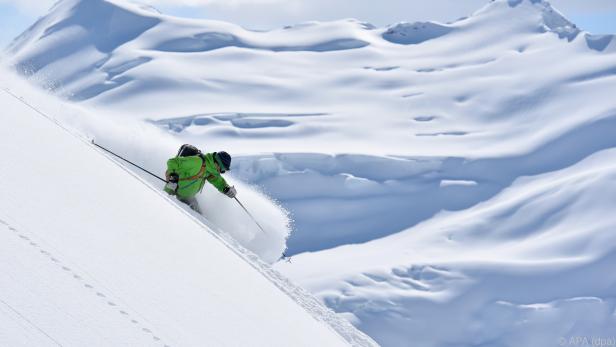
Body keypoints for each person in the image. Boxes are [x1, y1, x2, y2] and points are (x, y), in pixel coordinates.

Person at [164, 144, 236, 213]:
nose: (221, 172)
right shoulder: (197, 162)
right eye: (222, 169)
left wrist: (226, 189)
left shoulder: (210, 170)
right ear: (217, 163)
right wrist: (171, 174)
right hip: (172, 192)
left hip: (187, 198)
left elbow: (217, 180)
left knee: (201, 217)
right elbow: (172, 162)